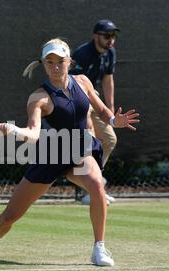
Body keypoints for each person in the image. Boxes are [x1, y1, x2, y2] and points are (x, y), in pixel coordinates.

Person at [0, 38, 139, 266]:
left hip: (81, 150)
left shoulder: (83, 82)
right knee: (9, 217)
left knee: (97, 185)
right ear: (43, 65)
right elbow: (34, 133)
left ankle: (99, 248)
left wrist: (116, 121)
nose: (55, 67)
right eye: (49, 63)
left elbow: (103, 111)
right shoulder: (39, 98)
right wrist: (14, 130)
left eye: (60, 61)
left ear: (69, 61)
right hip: (51, 155)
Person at [70, 19, 120, 205]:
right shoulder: (82, 54)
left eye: (113, 36)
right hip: (77, 100)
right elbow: (71, 85)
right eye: (107, 36)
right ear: (95, 36)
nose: (111, 40)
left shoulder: (110, 53)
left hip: (95, 99)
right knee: (88, 143)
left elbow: (108, 79)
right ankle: (91, 188)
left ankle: (94, 187)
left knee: (109, 140)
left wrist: (110, 108)